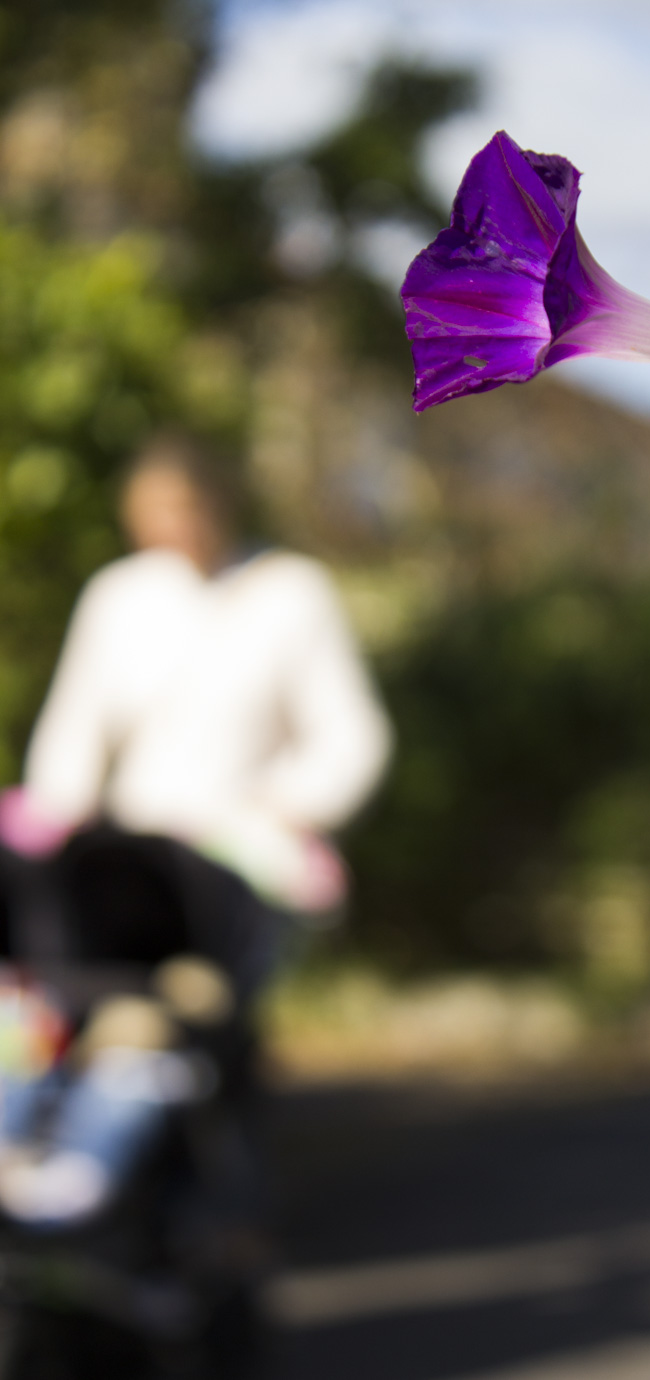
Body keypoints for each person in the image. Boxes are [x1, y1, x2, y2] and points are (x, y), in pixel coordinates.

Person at [0, 432, 393, 1223]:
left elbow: (351, 740)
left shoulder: (290, 593)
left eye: (185, 508)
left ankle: (191, 1209)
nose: (171, 527)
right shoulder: (119, 597)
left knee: (193, 1024)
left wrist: (280, 809)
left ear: (220, 504)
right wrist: (52, 815)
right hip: (128, 865)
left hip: (235, 862)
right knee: (49, 996)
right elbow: (73, 732)